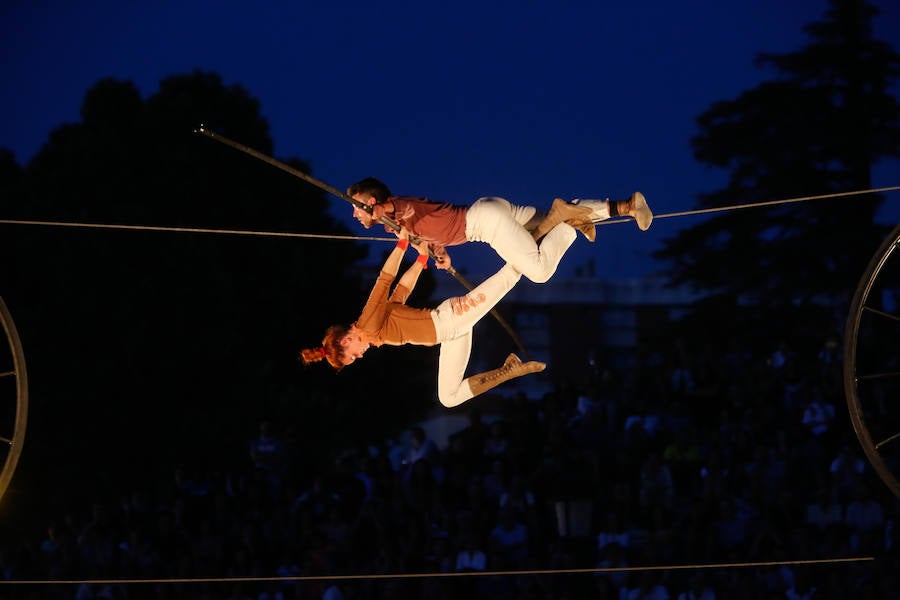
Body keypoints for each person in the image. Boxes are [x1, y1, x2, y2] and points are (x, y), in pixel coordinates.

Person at [300, 229, 547, 407]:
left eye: (354, 355)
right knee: (448, 398)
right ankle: (508, 370)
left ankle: (540, 232)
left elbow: (384, 281)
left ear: (345, 341)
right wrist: (420, 259)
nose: (360, 355)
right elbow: (400, 293)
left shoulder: (367, 327)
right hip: (451, 334)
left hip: (451, 319)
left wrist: (402, 245)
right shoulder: (375, 333)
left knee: (509, 276)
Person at [346, 177, 652, 278]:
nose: (355, 215)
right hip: (489, 208)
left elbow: (397, 208)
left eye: (357, 207)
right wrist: (441, 255)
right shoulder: (403, 225)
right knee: (545, 219)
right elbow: (428, 237)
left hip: (484, 223)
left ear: (371, 202)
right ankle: (626, 205)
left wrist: (381, 211)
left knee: (540, 272)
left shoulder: (397, 207)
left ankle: (565, 220)